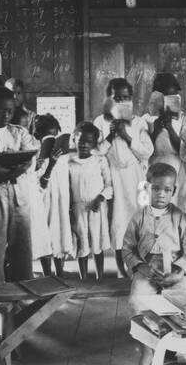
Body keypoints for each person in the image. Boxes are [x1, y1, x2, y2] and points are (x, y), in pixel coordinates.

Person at [123, 162, 186, 365]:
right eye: (156, 189)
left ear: (174, 191)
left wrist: (179, 272)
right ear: (147, 188)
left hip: (173, 270)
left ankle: (175, 349)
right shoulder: (138, 217)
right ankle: (146, 350)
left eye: (167, 190)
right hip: (146, 270)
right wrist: (140, 266)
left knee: (184, 302)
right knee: (137, 301)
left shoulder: (180, 217)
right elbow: (127, 248)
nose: (161, 194)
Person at [0, 86, 39, 286]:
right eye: (0, 110)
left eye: (10, 111)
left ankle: (24, 295)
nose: (5, 115)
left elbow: (29, 162)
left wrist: (6, 172)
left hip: (18, 195)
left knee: (22, 247)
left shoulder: (20, 132)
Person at [98, 78, 154, 278]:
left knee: (142, 219)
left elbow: (147, 152)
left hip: (137, 177)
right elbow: (97, 152)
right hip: (115, 178)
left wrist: (127, 136)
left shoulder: (138, 122)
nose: (122, 102)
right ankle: (122, 269)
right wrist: (112, 135)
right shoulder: (101, 122)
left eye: (126, 98)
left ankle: (143, 264)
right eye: (117, 98)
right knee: (119, 223)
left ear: (132, 99)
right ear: (108, 99)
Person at [68, 122, 112, 280]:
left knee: (97, 243)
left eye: (89, 142)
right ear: (74, 140)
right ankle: (83, 278)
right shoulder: (69, 163)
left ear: (94, 143)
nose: (84, 145)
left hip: (96, 208)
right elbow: (67, 189)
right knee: (82, 243)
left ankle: (100, 277)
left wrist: (101, 198)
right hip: (78, 208)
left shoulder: (100, 161)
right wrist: (69, 210)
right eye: (81, 141)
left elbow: (109, 186)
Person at [147, 73, 186, 211]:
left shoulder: (182, 118)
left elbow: (184, 149)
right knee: (158, 204)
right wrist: (156, 129)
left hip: (178, 168)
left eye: (172, 97)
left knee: (180, 206)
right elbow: (145, 149)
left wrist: (169, 128)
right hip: (155, 165)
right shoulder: (148, 118)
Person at [32, 115, 73, 276]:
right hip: (44, 201)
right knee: (46, 234)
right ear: (38, 137)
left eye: (56, 135)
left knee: (61, 232)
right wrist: (50, 164)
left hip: (61, 200)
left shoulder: (63, 156)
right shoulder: (37, 157)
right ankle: (48, 274)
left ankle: (60, 272)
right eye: (48, 137)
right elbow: (39, 184)